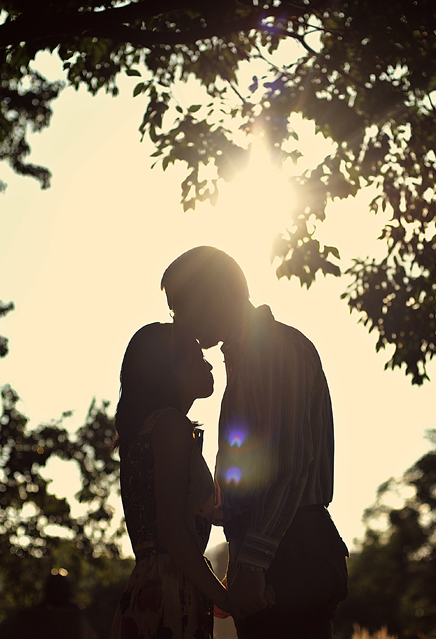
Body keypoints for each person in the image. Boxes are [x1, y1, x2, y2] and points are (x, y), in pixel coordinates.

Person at [161, 246, 349, 639]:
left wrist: (254, 563)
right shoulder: (247, 360)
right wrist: (225, 504)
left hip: (290, 548)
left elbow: (290, 464)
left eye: (181, 308)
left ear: (213, 294)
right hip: (274, 546)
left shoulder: (275, 350)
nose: (180, 324)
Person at [110, 322, 231, 639]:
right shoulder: (170, 425)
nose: (208, 362)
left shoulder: (148, 429)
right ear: (168, 370)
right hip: (169, 593)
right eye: (194, 356)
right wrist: (224, 598)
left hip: (151, 587)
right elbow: (172, 531)